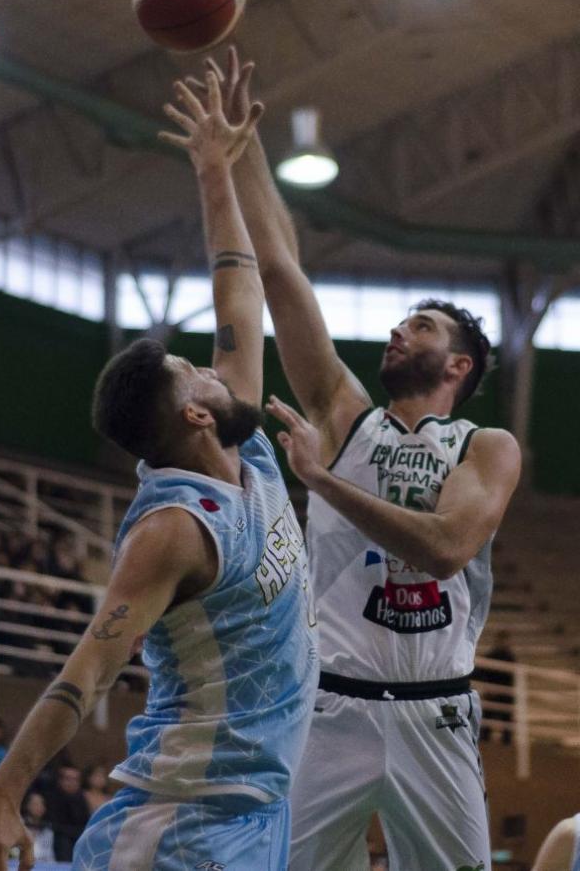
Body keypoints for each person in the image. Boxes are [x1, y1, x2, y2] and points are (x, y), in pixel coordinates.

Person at [0, 71, 318, 871]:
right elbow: (87, 669)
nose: (216, 367)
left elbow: (240, 287)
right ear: (194, 414)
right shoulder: (175, 528)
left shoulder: (242, 441)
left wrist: (216, 168)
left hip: (256, 809)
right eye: (196, 370)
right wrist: (2, 791)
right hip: (182, 822)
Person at [194, 48, 522, 871]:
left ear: (459, 367)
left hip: (435, 715)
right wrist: (243, 153)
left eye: (421, 326)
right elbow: (279, 271)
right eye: (400, 321)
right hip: (330, 707)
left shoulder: (486, 447)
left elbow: (446, 548)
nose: (398, 331)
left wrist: (323, 482)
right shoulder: (345, 417)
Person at [43, 764, 89, 861]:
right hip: (56, 839)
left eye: (75, 779)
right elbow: (53, 824)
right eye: (68, 779)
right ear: (60, 780)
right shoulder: (50, 798)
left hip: (78, 837)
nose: (72, 783)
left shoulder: (82, 799)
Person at [21, 791, 56, 863]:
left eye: (41, 804)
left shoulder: (48, 830)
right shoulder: (20, 826)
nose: (38, 807)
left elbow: (49, 855)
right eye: (35, 804)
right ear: (27, 806)